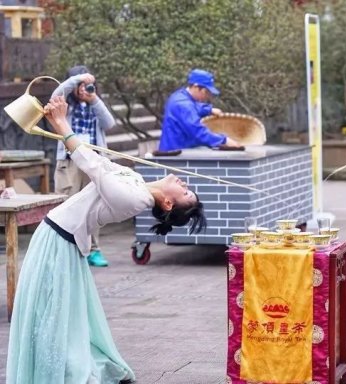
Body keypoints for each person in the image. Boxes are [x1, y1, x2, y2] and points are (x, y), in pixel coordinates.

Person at [6, 94, 207, 384]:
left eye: (187, 194)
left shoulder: (135, 199)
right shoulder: (137, 182)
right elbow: (99, 159)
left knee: (54, 314)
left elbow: (94, 168)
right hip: (58, 238)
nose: (185, 185)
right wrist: (62, 124)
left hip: (59, 242)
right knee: (57, 314)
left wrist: (63, 123)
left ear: (168, 205)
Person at [53, 65, 115, 267]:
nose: (83, 89)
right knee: (67, 203)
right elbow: (56, 94)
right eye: (80, 85)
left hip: (91, 160)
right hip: (69, 160)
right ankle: (66, 249)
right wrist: (77, 80)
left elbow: (109, 123)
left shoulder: (94, 105)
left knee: (92, 206)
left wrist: (94, 99)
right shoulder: (63, 106)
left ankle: (93, 250)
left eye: (87, 85)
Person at [158, 69, 240, 151]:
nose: (207, 96)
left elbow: (194, 107)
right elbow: (198, 132)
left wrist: (209, 110)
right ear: (196, 87)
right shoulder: (183, 104)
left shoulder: (180, 96)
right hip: (175, 155)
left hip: (179, 149)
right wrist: (224, 140)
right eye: (206, 92)